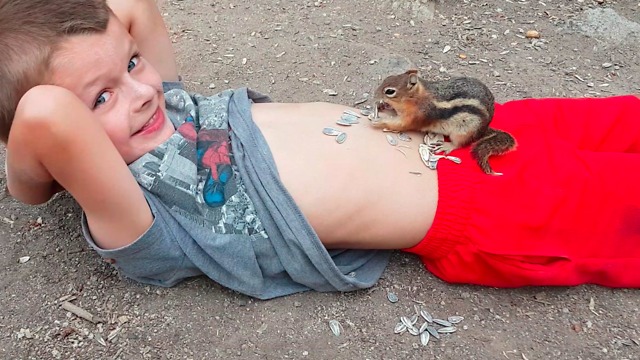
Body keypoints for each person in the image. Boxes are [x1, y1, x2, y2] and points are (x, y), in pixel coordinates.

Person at [2, 0, 639, 300]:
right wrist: (33, 180)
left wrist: (111, 67)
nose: (141, 92)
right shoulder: (140, 216)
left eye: (133, 64)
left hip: (451, 131)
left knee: (614, 123)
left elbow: (130, 8)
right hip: (478, 203)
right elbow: (44, 113)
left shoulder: (164, 107)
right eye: (100, 99)